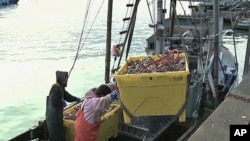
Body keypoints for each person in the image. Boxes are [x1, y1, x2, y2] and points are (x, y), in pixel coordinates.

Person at [46, 70, 81, 141]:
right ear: (61, 79)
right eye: (65, 79)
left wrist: (75, 98)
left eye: (67, 79)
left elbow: (67, 96)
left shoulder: (60, 88)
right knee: (56, 136)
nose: (66, 81)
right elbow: (53, 101)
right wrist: (61, 102)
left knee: (60, 134)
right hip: (53, 118)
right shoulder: (55, 88)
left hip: (57, 117)